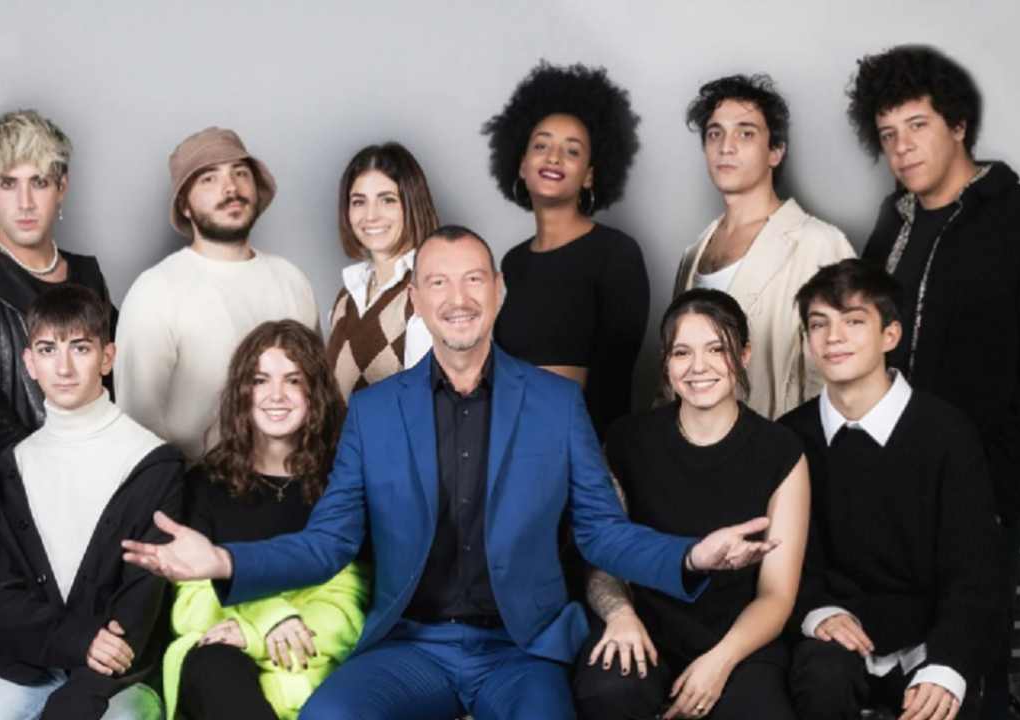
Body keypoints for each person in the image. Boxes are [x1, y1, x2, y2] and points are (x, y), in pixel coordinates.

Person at [123, 225, 781, 720]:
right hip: (410, 647)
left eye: (473, 280)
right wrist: (224, 563)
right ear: (416, 298)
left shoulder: (556, 405)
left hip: (521, 651)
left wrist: (691, 556)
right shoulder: (375, 413)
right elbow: (327, 543)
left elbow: (602, 533)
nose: (457, 298)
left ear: (499, 290)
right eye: (437, 282)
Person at [849, 45, 1020, 716]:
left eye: (917, 126)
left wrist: (1003, 483)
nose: (901, 148)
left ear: (957, 125)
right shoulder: (892, 223)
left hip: (986, 481)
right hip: (894, 477)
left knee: (974, 660)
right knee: (905, 663)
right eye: (887, 135)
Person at [781, 259, 1002, 720]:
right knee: (820, 679)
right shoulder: (788, 438)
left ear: (891, 335)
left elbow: (974, 570)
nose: (833, 337)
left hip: (932, 636)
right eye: (819, 324)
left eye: (853, 321)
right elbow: (786, 561)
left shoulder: (948, 434)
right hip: (837, 636)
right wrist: (817, 612)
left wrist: (948, 663)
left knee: (945, 701)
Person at [572, 289, 808, 720]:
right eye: (682, 352)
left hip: (740, 638)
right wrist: (620, 615)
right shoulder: (626, 440)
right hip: (643, 626)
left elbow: (776, 595)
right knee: (608, 693)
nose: (699, 367)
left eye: (716, 349)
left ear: (744, 354)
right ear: (665, 363)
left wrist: (719, 662)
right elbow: (601, 553)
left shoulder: (781, 450)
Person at [0, 285, 183, 720]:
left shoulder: (154, 462)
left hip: (120, 673)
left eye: (80, 348)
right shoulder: (12, 465)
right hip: (32, 665)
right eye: (48, 349)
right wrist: (77, 641)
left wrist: (76, 697)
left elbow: (142, 597)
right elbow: (0, 595)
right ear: (29, 362)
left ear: (107, 358)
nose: (63, 367)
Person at [164, 320, 368, 720]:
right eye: (260, 380)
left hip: (313, 659)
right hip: (222, 665)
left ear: (315, 392)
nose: (276, 395)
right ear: (243, 391)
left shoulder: (342, 483)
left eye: (293, 380)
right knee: (213, 664)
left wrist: (260, 634)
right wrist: (270, 618)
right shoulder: (203, 483)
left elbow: (350, 603)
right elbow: (192, 602)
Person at [0, 109, 117, 462]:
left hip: (98, 471)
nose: (25, 203)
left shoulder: (87, 277)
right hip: (9, 486)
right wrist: (48, 472)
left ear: (61, 188)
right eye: (8, 184)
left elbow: (116, 388)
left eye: (39, 182)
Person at [115, 127, 319, 460]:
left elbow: (317, 395)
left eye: (240, 173)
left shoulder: (292, 280)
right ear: (184, 205)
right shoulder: (155, 291)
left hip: (293, 483)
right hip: (193, 487)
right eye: (209, 179)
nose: (230, 188)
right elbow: (136, 426)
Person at [483, 60, 649, 438]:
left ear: (589, 175)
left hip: (582, 448)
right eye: (541, 145)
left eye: (572, 151)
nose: (554, 157)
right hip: (513, 445)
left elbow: (614, 382)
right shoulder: (512, 262)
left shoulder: (616, 255)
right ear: (522, 165)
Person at [673, 74, 854, 419]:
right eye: (715, 134)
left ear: (775, 151)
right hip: (696, 442)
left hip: (781, 442)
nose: (726, 147)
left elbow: (842, 375)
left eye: (745, 133)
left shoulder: (819, 243)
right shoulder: (693, 254)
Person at [325, 142, 438, 399]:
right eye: (358, 202)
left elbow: (427, 405)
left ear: (412, 203)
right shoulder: (346, 297)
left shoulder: (427, 293)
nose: (371, 216)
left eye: (387, 200)